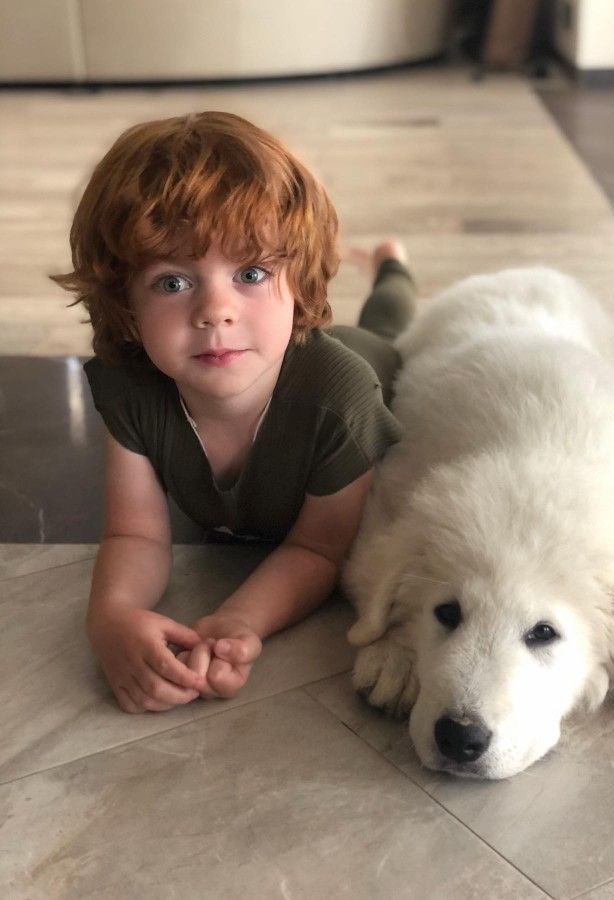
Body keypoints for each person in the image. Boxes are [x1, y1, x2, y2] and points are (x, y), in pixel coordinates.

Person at [51, 111, 416, 714]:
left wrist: (240, 620)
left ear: (298, 284)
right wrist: (111, 616)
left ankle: (391, 266)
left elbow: (320, 549)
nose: (215, 310)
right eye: (172, 282)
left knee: (390, 320)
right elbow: (133, 531)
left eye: (251, 273)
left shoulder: (341, 397)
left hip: (359, 352)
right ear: (125, 305)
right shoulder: (132, 389)